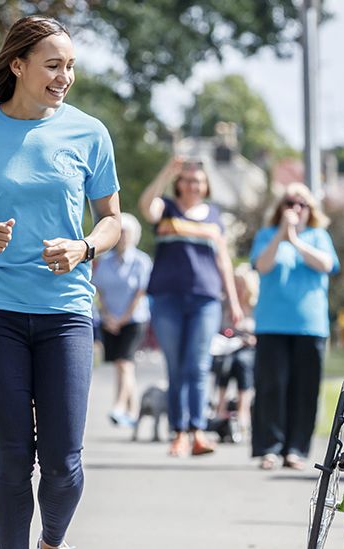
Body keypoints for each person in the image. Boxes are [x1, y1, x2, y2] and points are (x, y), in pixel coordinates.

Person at [0, 15, 122, 549]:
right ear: (18, 66)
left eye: (71, 67)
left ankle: (51, 542)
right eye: (53, 65)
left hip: (66, 312)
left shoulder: (89, 133)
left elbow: (113, 219)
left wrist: (84, 246)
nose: (65, 77)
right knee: (14, 456)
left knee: (62, 462)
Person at [138, 156, 242, 458]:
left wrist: (233, 300)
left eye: (198, 180)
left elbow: (223, 260)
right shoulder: (166, 209)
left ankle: (197, 431)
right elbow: (147, 205)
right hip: (166, 297)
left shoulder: (214, 215)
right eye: (187, 179)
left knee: (197, 366)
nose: (193, 184)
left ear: (205, 184)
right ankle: (179, 432)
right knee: (176, 367)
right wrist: (166, 170)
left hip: (205, 298)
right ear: (179, 183)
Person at [250, 183, 339, 470]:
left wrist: (296, 241)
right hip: (271, 324)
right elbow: (262, 265)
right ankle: (269, 448)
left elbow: (326, 265)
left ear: (311, 210)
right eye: (290, 203)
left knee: (305, 389)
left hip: (309, 326)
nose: (296, 209)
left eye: (302, 204)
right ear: (280, 207)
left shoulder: (318, 236)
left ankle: (296, 449)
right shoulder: (266, 235)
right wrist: (281, 235)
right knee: (270, 387)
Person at [92, 212, 153, 427]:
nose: (123, 237)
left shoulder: (142, 261)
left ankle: (118, 406)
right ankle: (133, 410)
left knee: (124, 362)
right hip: (110, 319)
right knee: (122, 365)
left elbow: (140, 293)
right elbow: (99, 290)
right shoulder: (105, 261)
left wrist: (123, 319)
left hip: (134, 320)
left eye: (127, 233)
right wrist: (108, 316)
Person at [213, 265, 259, 441]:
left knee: (242, 362)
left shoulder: (256, 306)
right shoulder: (227, 304)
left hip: (250, 348)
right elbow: (220, 327)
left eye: (242, 285)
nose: (239, 289)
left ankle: (243, 410)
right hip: (228, 346)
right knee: (225, 362)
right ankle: (220, 407)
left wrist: (250, 336)